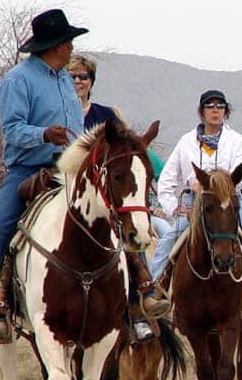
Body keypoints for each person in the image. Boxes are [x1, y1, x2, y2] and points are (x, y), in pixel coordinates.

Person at [0, 9, 88, 343]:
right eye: (68, 41)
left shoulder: (64, 79)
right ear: (54, 45)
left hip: (69, 168)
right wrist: (44, 135)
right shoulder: (18, 79)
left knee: (115, 216)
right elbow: (12, 129)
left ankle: (136, 297)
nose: (72, 47)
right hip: (29, 169)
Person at [67, 55, 171, 340]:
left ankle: (141, 304)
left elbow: (129, 154)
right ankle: (5, 299)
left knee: (131, 232)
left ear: (91, 82)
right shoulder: (56, 110)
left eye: (83, 77)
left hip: (103, 193)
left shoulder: (106, 115)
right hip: (62, 184)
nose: (78, 81)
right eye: (72, 76)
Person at [149, 89, 242, 288]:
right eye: (210, 106)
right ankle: (150, 291)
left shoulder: (235, 139)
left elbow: (241, 175)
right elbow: (167, 180)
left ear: (226, 112)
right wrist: (174, 207)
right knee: (168, 241)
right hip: (196, 202)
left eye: (220, 106)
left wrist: (215, 182)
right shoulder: (186, 142)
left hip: (230, 200)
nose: (215, 110)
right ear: (202, 111)